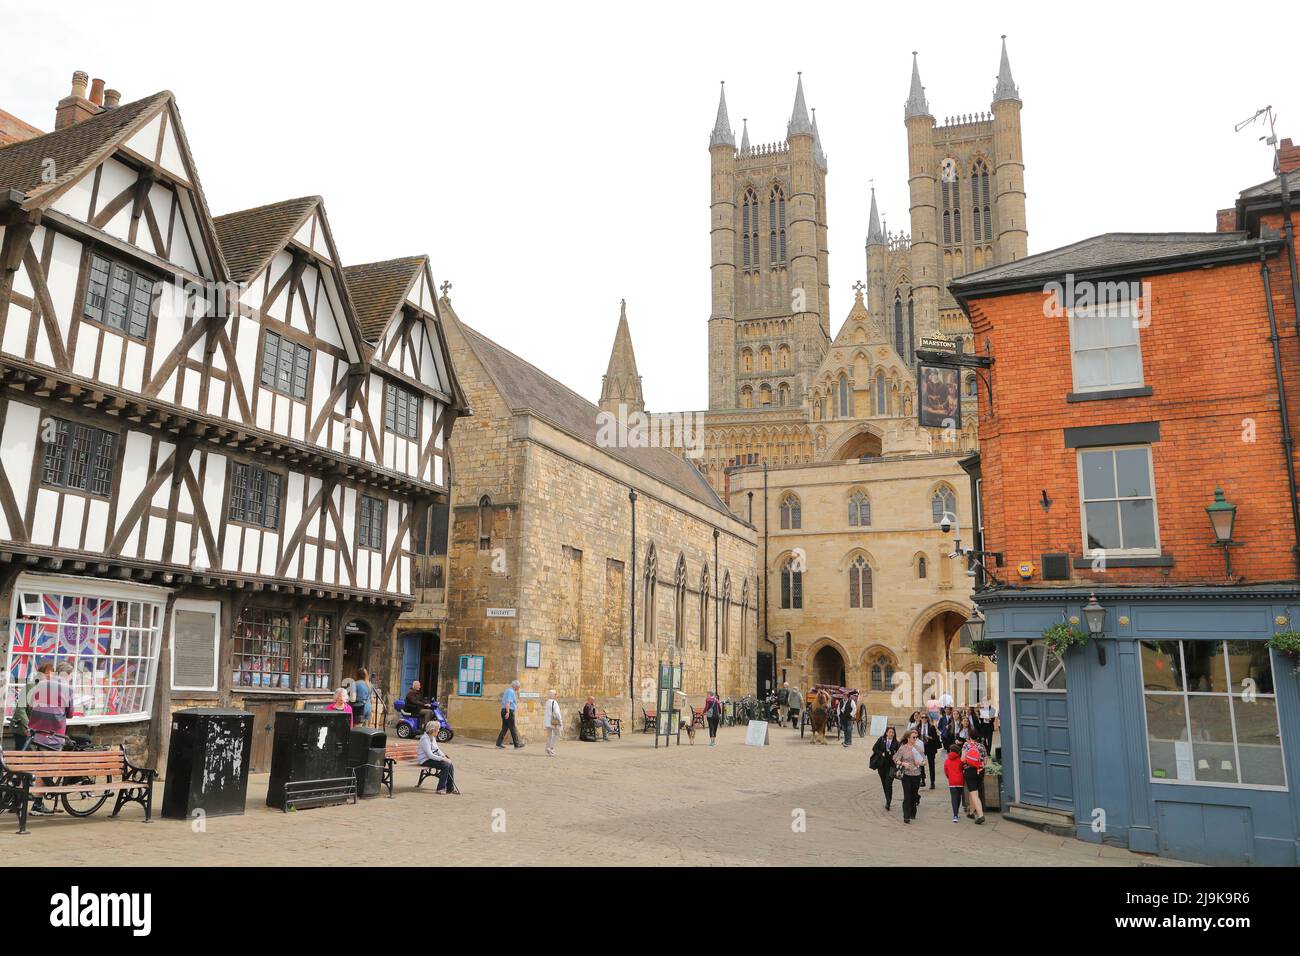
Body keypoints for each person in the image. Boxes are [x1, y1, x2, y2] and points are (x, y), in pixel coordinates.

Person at [417, 720, 458, 794]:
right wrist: (442, 759)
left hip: (431, 759)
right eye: (438, 729)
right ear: (433, 730)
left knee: (449, 764)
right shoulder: (425, 739)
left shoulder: (432, 738)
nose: (439, 730)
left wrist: (444, 757)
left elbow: (437, 749)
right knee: (445, 765)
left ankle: (450, 788)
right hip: (425, 760)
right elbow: (429, 755)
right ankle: (440, 788)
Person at [894, 729, 925, 824]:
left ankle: (913, 811)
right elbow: (896, 759)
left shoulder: (918, 748)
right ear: (908, 738)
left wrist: (921, 763)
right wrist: (903, 763)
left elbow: (925, 761)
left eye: (916, 737)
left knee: (914, 794)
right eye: (914, 737)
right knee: (907, 795)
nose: (915, 739)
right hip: (906, 775)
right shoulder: (903, 748)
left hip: (917, 775)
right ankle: (906, 816)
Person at [871, 726, 900, 811]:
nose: (891, 734)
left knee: (888, 783)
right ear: (886, 733)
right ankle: (887, 798)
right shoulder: (881, 740)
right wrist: (881, 753)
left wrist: (894, 757)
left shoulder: (896, 743)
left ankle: (888, 801)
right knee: (884, 783)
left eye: (892, 732)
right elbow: (874, 748)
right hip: (881, 765)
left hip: (891, 766)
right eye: (889, 732)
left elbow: (899, 754)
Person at [961, 735, 987, 824]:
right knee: (974, 791)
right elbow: (985, 761)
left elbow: (962, 759)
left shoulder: (966, 745)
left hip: (970, 770)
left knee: (974, 793)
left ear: (969, 738)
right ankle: (971, 813)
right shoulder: (982, 746)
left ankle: (980, 815)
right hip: (980, 770)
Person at [497, 679, 525, 749]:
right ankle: (517, 744)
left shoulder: (508, 690)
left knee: (505, 728)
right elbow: (508, 702)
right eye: (518, 687)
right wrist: (508, 712)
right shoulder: (511, 692)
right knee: (513, 728)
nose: (519, 688)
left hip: (504, 710)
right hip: (508, 710)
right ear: (515, 686)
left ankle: (499, 742)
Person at [917, 713, 941, 789]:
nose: (924, 719)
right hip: (921, 747)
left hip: (930, 747)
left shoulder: (931, 727)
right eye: (922, 717)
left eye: (925, 717)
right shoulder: (918, 727)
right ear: (920, 718)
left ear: (928, 718)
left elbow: (936, 738)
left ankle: (932, 782)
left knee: (931, 765)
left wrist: (930, 738)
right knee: (921, 764)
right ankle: (922, 779)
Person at [944, 743, 966, 823]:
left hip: (952, 781)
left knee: (953, 798)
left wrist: (949, 777)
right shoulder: (960, 760)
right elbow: (963, 769)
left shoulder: (947, 761)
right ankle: (957, 810)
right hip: (960, 781)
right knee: (958, 796)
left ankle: (955, 815)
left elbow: (946, 771)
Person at [543, 689, 562, 756]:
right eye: (556, 694)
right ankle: (551, 748)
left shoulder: (547, 702)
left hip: (547, 721)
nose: (557, 696)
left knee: (549, 736)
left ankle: (548, 749)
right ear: (553, 695)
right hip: (554, 722)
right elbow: (556, 713)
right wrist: (560, 721)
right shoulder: (554, 702)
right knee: (558, 734)